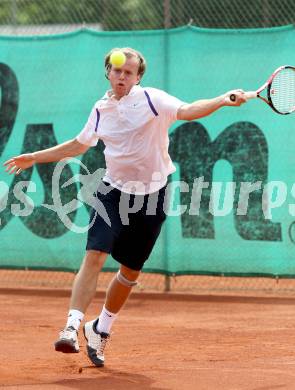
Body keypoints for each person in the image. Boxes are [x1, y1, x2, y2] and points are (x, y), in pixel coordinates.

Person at [4, 47, 247, 367]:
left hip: (154, 195)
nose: (122, 76)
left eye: (129, 72)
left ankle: (100, 329)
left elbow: (188, 110)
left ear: (138, 77)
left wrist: (220, 99)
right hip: (113, 193)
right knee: (95, 255)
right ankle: (71, 327)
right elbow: (80, 143)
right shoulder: (101, 109)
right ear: (108, 72)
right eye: (117, 71)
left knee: (130, 272)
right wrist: (35, 156)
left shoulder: (152, 99)